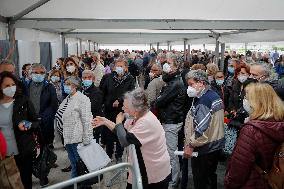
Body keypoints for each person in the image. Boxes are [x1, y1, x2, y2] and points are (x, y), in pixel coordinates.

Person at [92, 88, 171, 189]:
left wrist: (119, 122)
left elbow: (124, 141)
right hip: (138, 168)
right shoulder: (134, 117)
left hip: (153, 172)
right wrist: (105, 121)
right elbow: (122, 132)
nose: (123, 109)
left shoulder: (146, 121)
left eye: (125, 107)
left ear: (136, 109)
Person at [224, 83, 284, 189]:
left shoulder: (251, 130)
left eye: (247, 98)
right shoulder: (278, 122)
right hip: (271, 180)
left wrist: (229, 183)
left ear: (257, 103)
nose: (244, 101)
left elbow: (239, 167)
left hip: (251, 182)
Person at [183, 69, 225, 189]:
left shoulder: (204, 101)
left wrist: (190, 145)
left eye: (191, 84)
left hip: (205, 149)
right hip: (215, 145)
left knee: (202, 180)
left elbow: (201, 130)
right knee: (210, 177)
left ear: (201, 83)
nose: (189, 88)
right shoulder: (213, 95)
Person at [0, 71, 39, 189]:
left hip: (22, 150)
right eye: (7, 86)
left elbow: (36, 122)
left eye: (13, 84)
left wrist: (28, 124)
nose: (11, 88)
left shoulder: (23, 101)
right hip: (3, 154)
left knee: (24, 182)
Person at [154, 59, 186, 187]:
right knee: (170, 151)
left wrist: (158, 99)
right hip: (170, 119)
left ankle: (173, 180)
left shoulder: (175, 84)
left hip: (172, 121)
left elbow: (160, 101)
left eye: (170, 65)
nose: (166, 67)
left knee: (171, 152)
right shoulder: (172, 81)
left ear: (176, 68)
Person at [26, 63, 58, 186]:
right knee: (30, 150)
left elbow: (53, 105)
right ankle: (28, 175)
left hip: (44, 123)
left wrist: (42, 117)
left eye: (41, 72)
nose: (38, 75)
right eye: (35, 72)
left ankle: (43, 175)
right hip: (29, 124)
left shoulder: (49, 87)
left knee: (44, 150)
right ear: (30, 73)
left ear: (45, 74)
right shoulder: (25, 86)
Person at [99, 58, 135, 162]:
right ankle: (108, 154)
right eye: (117, 66)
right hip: (109, 109)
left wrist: (120, 100)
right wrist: (104, 103)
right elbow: (102, 91)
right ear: (114, 67)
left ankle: (119, 155)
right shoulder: (108, 77)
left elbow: (130, 93)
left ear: (126, 68)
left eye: (121, 66)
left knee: (120, 131)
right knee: (109, 132)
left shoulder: (130, 79)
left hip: (122, 111)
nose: (119, 68)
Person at [57, 76, 93, 178]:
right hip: (67, 137)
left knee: (79, 165)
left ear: (75, 86)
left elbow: (87, 120)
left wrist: (87, 139)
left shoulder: (83, 99)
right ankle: (77, 184)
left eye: (69, 84)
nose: (66, 86)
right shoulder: (68, 98)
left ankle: (77, 184)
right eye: (65, 83)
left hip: (77, 138)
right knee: (74, 164)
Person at [81, 70, 104, 142]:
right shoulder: (81, 90)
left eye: (89, 77)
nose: (87, 79)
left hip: (93, 122)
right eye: (84, 78)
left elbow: (93, 107)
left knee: (93, 144)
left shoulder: (97, 92)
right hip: (83, 122)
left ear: (93, 79)